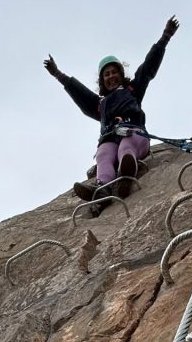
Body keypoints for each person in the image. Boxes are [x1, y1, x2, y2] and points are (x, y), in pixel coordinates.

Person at [44, 17, 179, 213]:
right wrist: (58, 74)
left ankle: (126, 174)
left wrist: (165, 37)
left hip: (134, 134)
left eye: (114, 72)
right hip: (109, 139)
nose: (111, 76)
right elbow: (79, 92)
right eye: (106, 74)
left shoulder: (132, 89)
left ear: (120, 74)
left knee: (126, 145)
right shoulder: (100, 105)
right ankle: (102, 189)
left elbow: (148, 67)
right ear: (102, 80)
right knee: (104, 153)